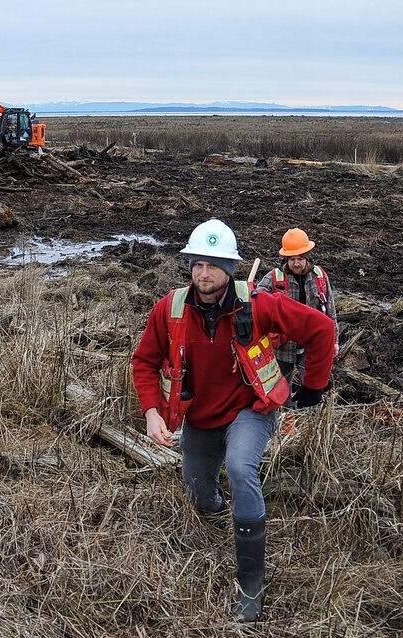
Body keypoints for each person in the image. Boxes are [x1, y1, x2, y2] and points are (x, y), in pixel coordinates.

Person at [131, 219, 336, 622]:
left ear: (230, 268)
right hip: (199, 417)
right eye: (197, 264)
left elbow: (322, 328)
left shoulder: (258, 303)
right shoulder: (169, 309)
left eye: (213, 265)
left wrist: (314, 387)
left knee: (242, 468)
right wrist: (152, 412)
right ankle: (221, 509)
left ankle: (251, 584)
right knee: (199, 492)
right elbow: (144, 361)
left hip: (250, 410)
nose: (203, 273)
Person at [257, 228, 339, 397]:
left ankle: (313, 418)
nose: (296, 263)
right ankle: (286, 421)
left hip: (311, 347)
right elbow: (255, 305)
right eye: (292, 259)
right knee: (278, 394)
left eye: (300, 259)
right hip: (281, 349)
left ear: (308, 257)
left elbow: (330, 311)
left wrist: (334, 341)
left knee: (317, 389)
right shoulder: (274, 278)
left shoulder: (320, 277)